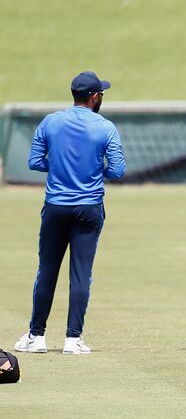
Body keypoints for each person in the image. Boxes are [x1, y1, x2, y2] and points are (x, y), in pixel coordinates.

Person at [15, 71, 125, 355]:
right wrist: (92, 169)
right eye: (101, 93)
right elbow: (117, 170)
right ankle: (72, 339)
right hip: (89, 208)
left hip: (55, 207)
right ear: (94, 97)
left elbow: (34, 162)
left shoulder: (50, 122)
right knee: (81, 274)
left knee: (47, 270)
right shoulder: (105, 127)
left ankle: (36, 336)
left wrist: (61, 167)